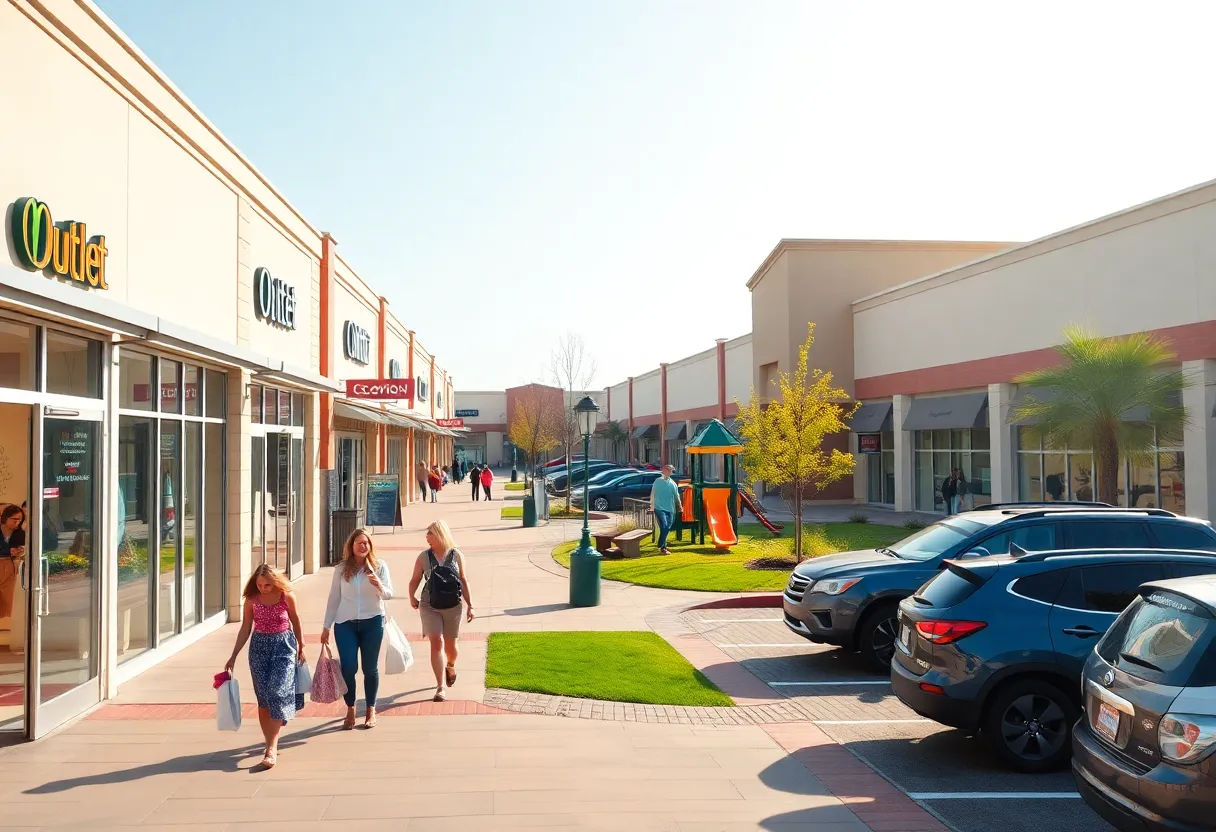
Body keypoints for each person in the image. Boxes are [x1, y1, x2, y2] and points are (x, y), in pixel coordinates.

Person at [223, 564, 305, 768]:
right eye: (259, 585)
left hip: (284, 646)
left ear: (275, 581)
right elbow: (245, 627)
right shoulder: (251, 600)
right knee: (264, 699)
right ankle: (271, 740)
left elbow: (295, 620)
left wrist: (301, 645)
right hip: (259, 648)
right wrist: (233, 655)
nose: (263, 589)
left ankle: (271, 748)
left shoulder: (286, 596)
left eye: (267, 585)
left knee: (277, 691)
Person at [321, 528, 392, 730]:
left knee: (370, 669)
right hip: (345, 624)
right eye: (359, 543)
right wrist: (326, 625)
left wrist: (377, 583)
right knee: (348, 668)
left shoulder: (379, 566)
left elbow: (388, 594)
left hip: (372, 622)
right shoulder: (342, 569)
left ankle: (370, 709)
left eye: (366, 543)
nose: (363, 546)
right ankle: (350, 708)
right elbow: (334, 597)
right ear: (351, 546)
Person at [407, 520, 475, 702]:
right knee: (436, 642)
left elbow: (463, 580)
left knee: (451, 647)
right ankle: (440, 687)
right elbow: (414, 579)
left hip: (453, 605)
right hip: (430, 604)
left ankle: (450, 665)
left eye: (429, 533)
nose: (426, 537)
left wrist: (470, 605)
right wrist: (412, 596)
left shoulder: (457, 555)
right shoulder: (423, 557)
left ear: (439, 534)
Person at [0, 505, 26, 621]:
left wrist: (20, 550)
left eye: (20, 520)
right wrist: (9, 550)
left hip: (11, 566)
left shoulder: (20, 534)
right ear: (5, 518)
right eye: (15, 520)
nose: (17, 523)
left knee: (7, 597)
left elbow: (24, 548)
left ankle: (6, 623)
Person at [650, 464, 680, 554]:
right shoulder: (657, 481)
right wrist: (651, 506)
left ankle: (662, 545)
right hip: (659, 508)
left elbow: (676, 496)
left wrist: (680, 506)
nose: (669, 471)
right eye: (667, 469)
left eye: (670, 470)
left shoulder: (673, 483)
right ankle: (662, 546)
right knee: (665, 526)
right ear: (663, 470)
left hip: (670, 509)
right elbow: (652, 494)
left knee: (666, 527)